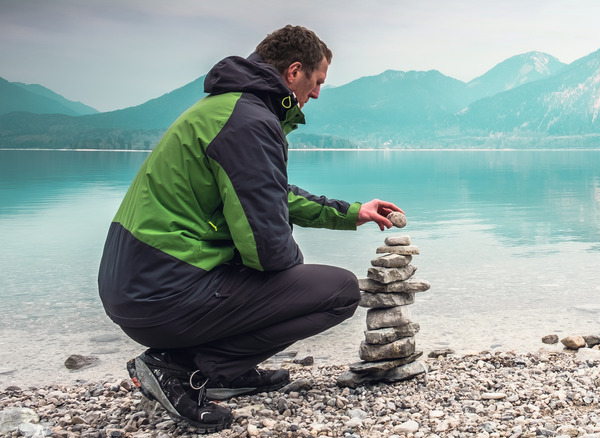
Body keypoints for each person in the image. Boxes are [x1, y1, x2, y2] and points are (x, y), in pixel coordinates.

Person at [97, 25, 403, 433]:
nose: (316, 95)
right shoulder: (249, 122)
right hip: (161, 292)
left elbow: (268, 192)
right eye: (317, 82)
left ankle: (224, 371)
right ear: (294, 72)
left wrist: (351, 213)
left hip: (138, 285)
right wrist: (292, 282)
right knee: (337, 292)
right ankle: (183, 370)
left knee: (287, 282)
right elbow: (268, 249)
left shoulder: (229, 109)